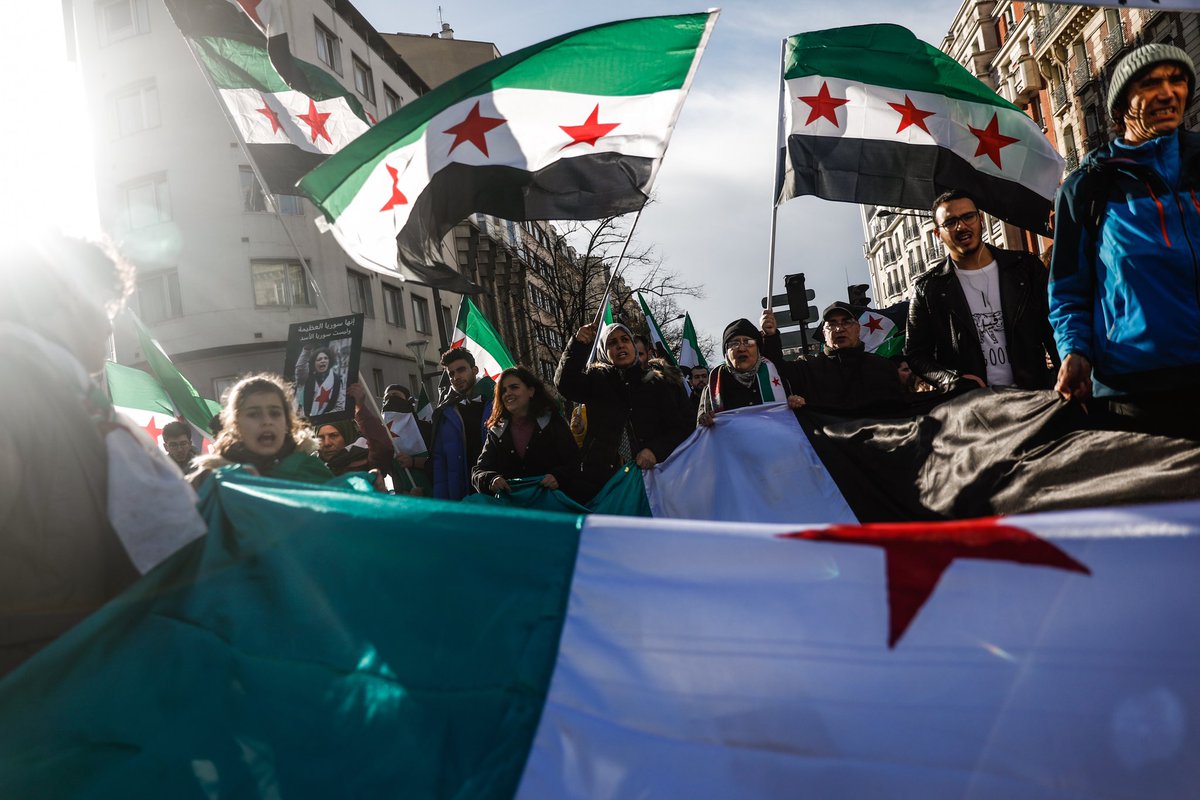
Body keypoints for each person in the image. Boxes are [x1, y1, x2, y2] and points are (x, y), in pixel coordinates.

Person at [0, 234, 204, 677]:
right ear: (69, 296)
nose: (108, 328)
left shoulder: (70, 397)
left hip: (76, 673)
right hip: (31, 689)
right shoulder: (14, 385)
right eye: (105, 306)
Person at [1050, 43, 1200, 438]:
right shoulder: (1085, 189)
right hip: (1137, 392)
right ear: (1119, 108)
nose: (1169, 92)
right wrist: (1075, 351)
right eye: (1150, 83)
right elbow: (1067, 291)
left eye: (1178, 80)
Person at [905, 189, 1058, 393]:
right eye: (950, 222)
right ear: (937, 234)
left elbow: (1055, 325)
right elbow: (916, 354)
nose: (961, 226)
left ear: (981, 219)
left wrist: (1066, 372)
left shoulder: (1025, 267)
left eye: (968, 216)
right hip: (974, 405)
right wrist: (950, 381)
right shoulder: (928, 288)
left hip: (1034, 393)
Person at [555, 321, 692, 501]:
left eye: (625, 339)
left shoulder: (655, 384)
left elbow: (678, 429)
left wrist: (654, 451)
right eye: (612, 343)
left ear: (634, 348)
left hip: (650, 479)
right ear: (604, 352)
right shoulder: (596, 382)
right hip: (602, 481)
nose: (620, 345)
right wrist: (578, 345)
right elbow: (565, 384)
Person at [762, 303, 908, 416]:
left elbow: (899, 409)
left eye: (846, 322)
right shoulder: (807, 368)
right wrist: (770, 337)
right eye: (832, 324)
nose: (839, 329)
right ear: (824, 333)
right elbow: (774, 370)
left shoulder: (882, 367)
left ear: (858, 329)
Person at [189, 374, 333, 488]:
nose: (267, 421)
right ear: (235, 424)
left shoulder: (311, 472)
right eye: (253, 414)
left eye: (275, 413)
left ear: (288, 422)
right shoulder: (209, 478)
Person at [471, 366, 581, 499]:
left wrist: (558, 477)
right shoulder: (497, 431)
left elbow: (574, 462)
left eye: (514, 387)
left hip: (552, 508)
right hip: (515, 513)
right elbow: (479, 471)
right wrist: (490, 480)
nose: (507, 393)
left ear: (531, 391)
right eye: (503, 390)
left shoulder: (553, 422)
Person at [697, 319, 804, 426]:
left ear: (758, 349)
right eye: (734, 343)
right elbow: (701, 430)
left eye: (748, 342)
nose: (742, 348)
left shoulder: (778, 377)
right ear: (726, 352)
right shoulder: (713, 388)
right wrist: (704, 421)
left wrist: (795, 405)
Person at [429, 347, 494, 500]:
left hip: (494, 494)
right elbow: (439, 463)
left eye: (461, 370)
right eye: (451, 373)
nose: (456, 377)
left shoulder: (496, 405)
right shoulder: (444, 413)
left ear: (475, 370)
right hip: (460, 497)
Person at [315, 383, 391, 484]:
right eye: (321, 438)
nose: (327, 443)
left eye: (333, 435)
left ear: (347, 434)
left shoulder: (365, 460)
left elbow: (382, 446)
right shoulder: (310, 467)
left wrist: (360, 407)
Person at [295, 344, 345, 417]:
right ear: (314, 364)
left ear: (329, 361)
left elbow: (340, 406)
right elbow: (300, 368)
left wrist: (324, 418)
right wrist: (306, 350)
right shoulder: (306, 377)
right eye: (319, 359)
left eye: (325, 358)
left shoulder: (336, 381)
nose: (323, 361)